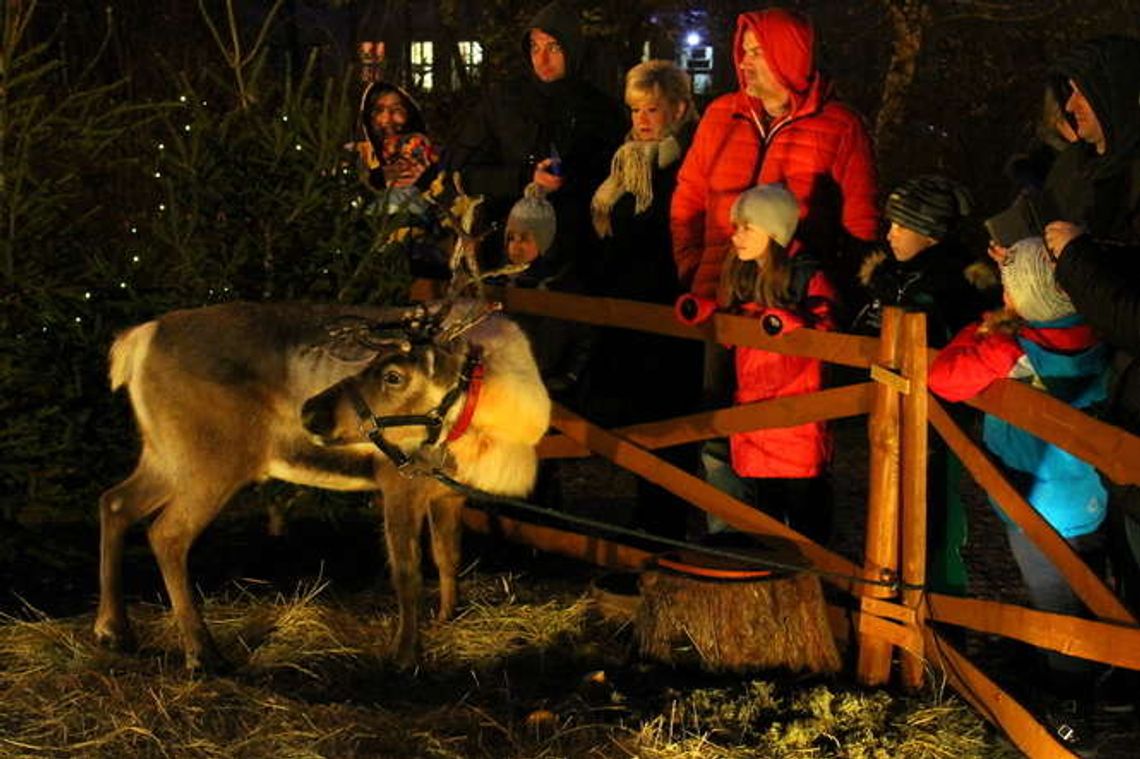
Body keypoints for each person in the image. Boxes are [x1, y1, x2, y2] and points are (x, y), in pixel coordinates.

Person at [928, 238, 1111, 746]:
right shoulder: (1093, 337)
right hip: (1085, 498)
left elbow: (943, 377)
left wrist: (987, 330)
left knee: (1056, 603)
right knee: (1084, 591)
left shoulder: (1013, 349)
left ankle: (1071, 711)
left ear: (1024, 293)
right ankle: (1084, 676)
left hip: (1036, 505)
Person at [670, 7, 879, 305]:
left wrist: (829, 294)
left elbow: (861, 225)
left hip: (792, 307)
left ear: (787, 54)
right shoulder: (720, 116)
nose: (743, 63)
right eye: (743, 52)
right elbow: (688, 200)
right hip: (716, 299)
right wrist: (692, 266)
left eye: (756, 52)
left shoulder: (841, 127)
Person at [851, 174, 988, 595]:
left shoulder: (955, 286)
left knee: (935, 513)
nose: (889, 233)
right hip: (890, 417)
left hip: (937, 421)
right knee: (886, 507)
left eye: (900, 226)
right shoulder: (889, 276)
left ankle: (941, 610)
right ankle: (887, 598)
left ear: (928, 234)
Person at [1043, 36, 1140, 624]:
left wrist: (1075, 256)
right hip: (1123, 408)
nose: (1071, 107)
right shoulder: (1106, 177)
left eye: (1081, 92)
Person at [587, 59, 702, 539]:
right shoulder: (622, 165)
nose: (642, 120)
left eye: (652, 109)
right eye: (635, 109)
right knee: (638, 418)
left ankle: (669, 519)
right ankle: (646, 513)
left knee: (672, 418)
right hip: (627, 309)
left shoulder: (687, 165)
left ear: (677, 108)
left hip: (672, 309)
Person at [444, 0, 625, 290]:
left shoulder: (600, 111)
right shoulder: (502, 103)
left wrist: (568, 182)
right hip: (503, 260)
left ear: (572, 49)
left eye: (553, 47)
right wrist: (524, 177)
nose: (542, 59)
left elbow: (615, 180)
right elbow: (462, 171)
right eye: (535, 47)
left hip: (577, 265)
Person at [697, 183, 839, 545]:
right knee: (766, 517)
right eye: (736, 226)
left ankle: (819, 584)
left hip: (794, 415)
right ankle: (777, 584)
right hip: (756, 409)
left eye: (747, 227)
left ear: (774, 230)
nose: (737, 236)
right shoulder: (745, 274)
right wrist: (713, 316)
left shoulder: (807, 275)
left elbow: (829, 328)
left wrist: (792, 324)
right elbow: (736, 325)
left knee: (806, 519)